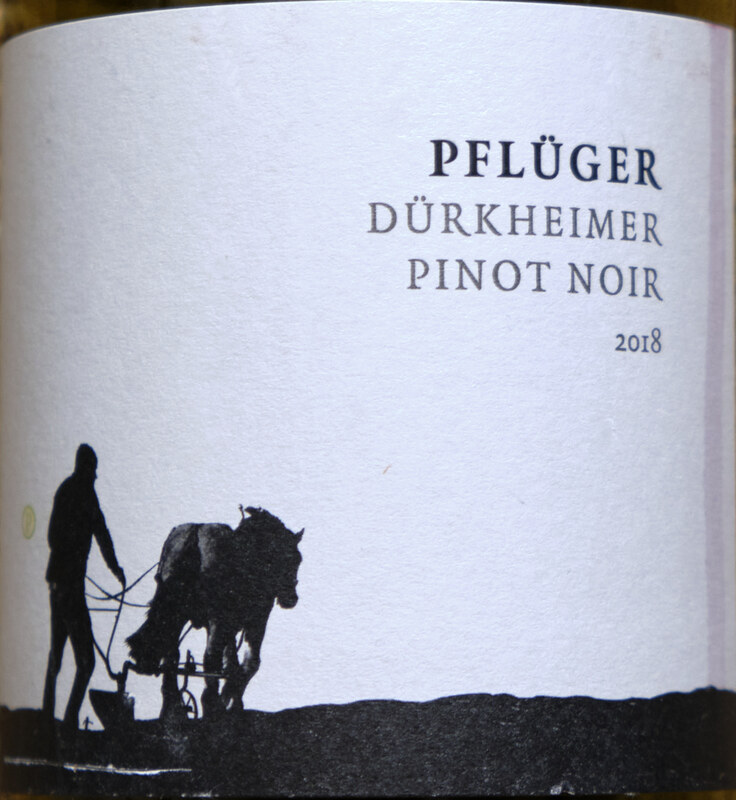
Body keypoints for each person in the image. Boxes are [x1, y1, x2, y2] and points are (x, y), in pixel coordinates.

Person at [42, 444, 126, 727]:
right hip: (71, 588)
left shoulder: (66, 490)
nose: (95, 476)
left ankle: (46, 719)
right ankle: (68, 722)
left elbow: (54, 537)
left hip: (57, 585)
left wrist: (112, 567)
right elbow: (100, 534)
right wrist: (114, 569)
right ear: (87, 468)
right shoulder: (85, 495)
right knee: (86, 662)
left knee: (56, 657)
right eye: (93, 470)